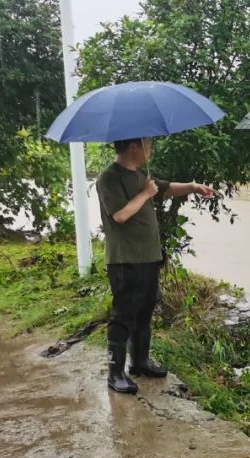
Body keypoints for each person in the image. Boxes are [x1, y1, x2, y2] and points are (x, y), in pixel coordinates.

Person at [96, 137, 216, 394]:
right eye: (148, 144)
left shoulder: (140, 174)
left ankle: (140, 362)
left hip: (149, 257)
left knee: (145, 311)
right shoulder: (109, 178)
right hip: (125, 259)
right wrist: (145, 194)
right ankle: (115, 373)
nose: (151, 149)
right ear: (134, 147)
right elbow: (120, 215)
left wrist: (194, 187)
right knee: (123, 315)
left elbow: (166, 187)